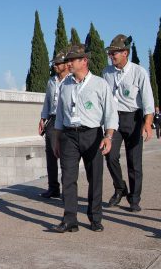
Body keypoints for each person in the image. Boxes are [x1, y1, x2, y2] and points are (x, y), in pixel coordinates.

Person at [53, 43, 117, 233]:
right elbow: (59, 115)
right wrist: (57, 139)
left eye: (72, 60)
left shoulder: (99, 84)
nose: (69, 63)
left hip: (92, 134)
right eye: (68, 60)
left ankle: (95, 218)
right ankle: (70, 219)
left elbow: (110, 113)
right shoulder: (65, 85)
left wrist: (109, 136)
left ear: (84, 61)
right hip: (69, 135)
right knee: (68, 178)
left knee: (95, 177)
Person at [102, 34, 155, 212]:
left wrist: (147, 124)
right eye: (110, 53)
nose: (111, 56)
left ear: (125, 53)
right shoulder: (106, 73)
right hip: (113, 120)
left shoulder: (139, 72)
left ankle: (134, 198)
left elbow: (148, 102)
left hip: (133, 118)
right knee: (110, 156)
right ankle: (120, 188)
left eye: (114, 53)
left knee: (134, 161)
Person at [38, 49, 69, 198]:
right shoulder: (51, 81)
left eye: (58, 63)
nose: (55, 66)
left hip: (66, 120)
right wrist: (42, 118)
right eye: (54, 64)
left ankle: (66, 190)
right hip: (52, 119)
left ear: (66, 64)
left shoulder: (71, 79)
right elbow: (47, 101)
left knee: (65, 155)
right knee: (50, 154)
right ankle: (53, 187)